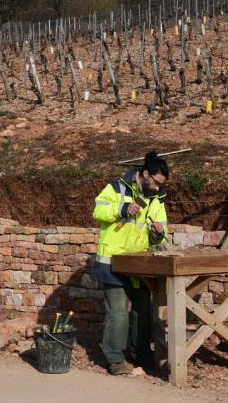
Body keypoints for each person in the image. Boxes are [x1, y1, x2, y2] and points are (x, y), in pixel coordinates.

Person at [90, 151, 170, 375]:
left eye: (160, 185)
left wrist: (158, 234)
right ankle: (115, 360)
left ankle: (141, 354)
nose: (157, 188)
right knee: (118, 312)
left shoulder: (157, 199)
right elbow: (98, 210)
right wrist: (121, 210)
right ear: (145, 174)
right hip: (113, 262)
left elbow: (162, 235)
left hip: (138, 265)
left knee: (143, 311)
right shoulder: (116, 188)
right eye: (155, 182)